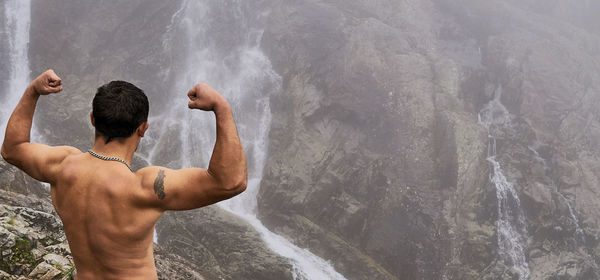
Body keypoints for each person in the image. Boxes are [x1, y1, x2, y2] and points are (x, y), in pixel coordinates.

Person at [1, 69, 247, 279]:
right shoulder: (143, 188)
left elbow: (12, 149)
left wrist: (33, 90)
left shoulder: (61, 166)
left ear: (92, 119)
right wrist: (221, 107)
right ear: (143, 128)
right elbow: (230, 182)